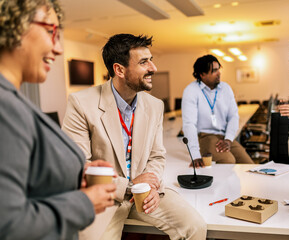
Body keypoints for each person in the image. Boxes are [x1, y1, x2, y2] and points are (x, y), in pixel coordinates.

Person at [62, 34, 206, 240]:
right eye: (143, 62)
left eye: (151, 60)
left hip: (145, 193)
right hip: (104, 198)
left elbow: (157, 156)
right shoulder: (81, 104)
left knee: (195, 226)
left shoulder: (155, 105)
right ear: (119, 70)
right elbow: (76, 166)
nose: (153, 68)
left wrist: (151, 184)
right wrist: (128, 187)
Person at [0, 0, 116, 239]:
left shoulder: (14, 98)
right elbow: (9, 224)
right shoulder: (5, 105)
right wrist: (85, 203)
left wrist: (76, 171)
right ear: (15, 27)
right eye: (51, 30)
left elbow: (29, 175)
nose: (59, 48)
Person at [182, 54, 253, 168]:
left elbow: (233, 116)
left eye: (218, 69)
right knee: (229, 160)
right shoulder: (191, 91)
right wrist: (195, 155)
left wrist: (229, 139)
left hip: (223, 137)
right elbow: (189, 124)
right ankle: (226, 186)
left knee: (249, 165)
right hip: (205, 137)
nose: (219, 73)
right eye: (214, 70)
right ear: (202, 74)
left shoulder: (225, 88)